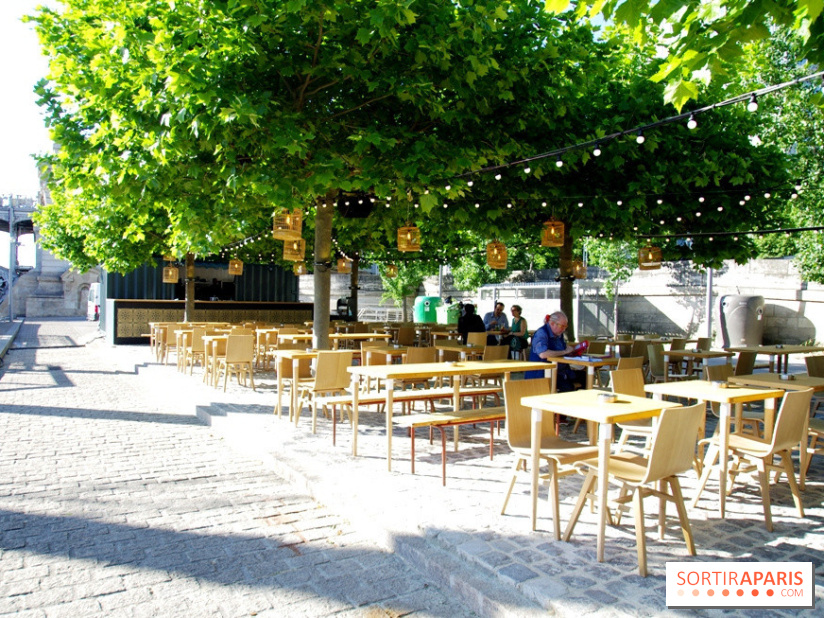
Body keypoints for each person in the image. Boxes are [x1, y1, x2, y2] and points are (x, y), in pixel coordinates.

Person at [524, 310, 585, 391]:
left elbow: (563, 349)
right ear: (552, 323)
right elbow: (543, 354)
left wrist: (573, 352)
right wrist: (565, 352)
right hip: (542, 373)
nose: (563, 329)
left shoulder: (559, 334)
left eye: (565, 327)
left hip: (560, 371)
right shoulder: (541, 333)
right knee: (568, 387)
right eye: (562, 326)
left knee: (585, 377)